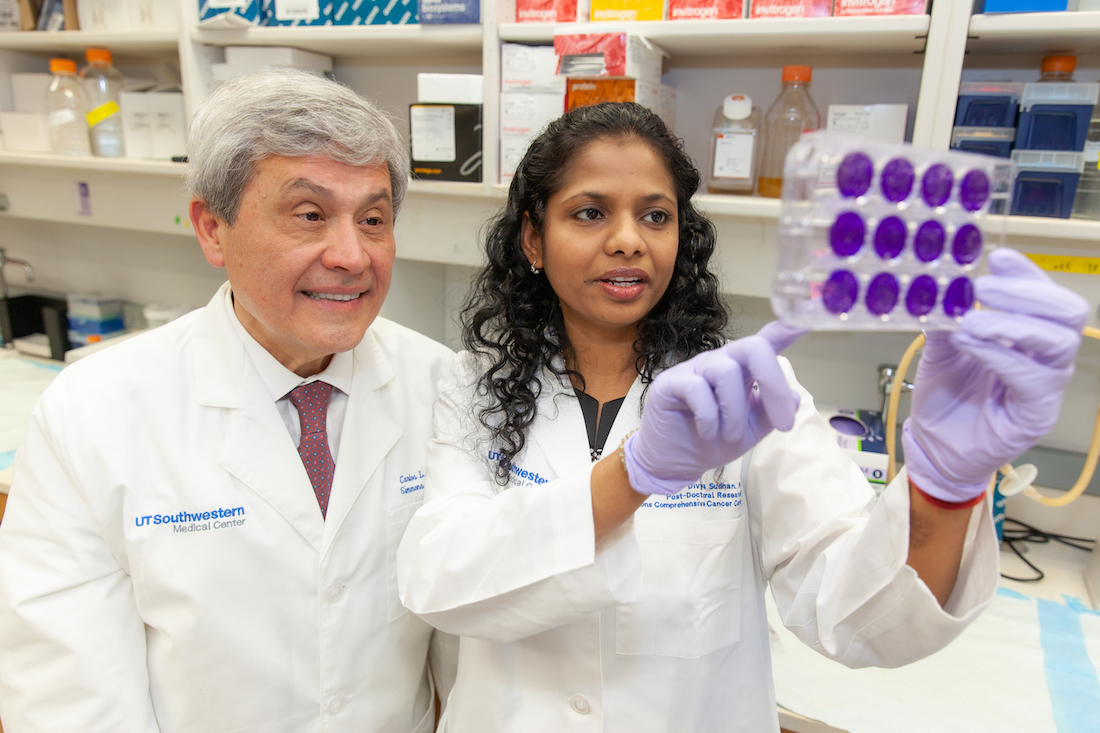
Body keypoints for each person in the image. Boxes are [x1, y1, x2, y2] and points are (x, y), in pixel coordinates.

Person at [396, 102, 1088, 732]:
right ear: (533, 239)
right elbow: (441, 581)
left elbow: (855, 615)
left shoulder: (747, 391)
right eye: (589, 212)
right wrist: (635, 474)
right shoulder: (472, 387)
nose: (629, 239)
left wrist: (943, 486)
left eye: (655, 215)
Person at [0, 69, 455, 733]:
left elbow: (467, 651)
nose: (352, 254)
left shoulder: (443, 387)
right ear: (213, 229)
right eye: (310, 215)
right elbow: (67, 699)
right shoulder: (92, 414)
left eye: (374, 218)